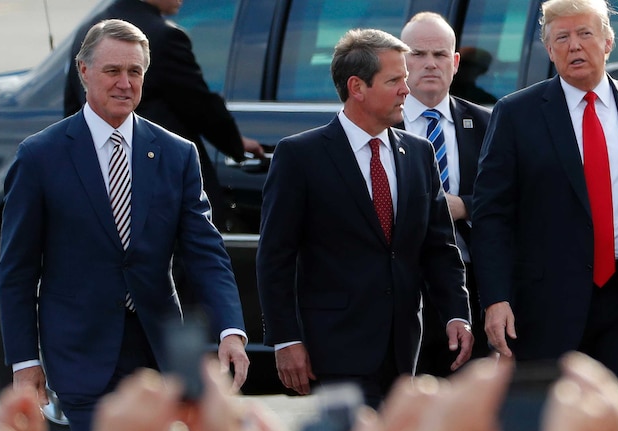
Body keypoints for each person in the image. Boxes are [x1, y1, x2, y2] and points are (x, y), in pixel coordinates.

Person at [0, 19, 249, 431]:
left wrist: (231, 329)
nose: (124, 83)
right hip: (80, 353)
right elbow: (17, 271)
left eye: (134, 72)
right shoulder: (40, 157)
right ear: (83, 71)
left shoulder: (176, 153)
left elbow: (205, 252)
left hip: (160, 352)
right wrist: (24, 362)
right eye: (113, 71)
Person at [471, 0, 618, 388]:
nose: (574, 46)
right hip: (547, 305)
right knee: (550, 428)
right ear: (549, 50)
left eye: (585, 34)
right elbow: (491, 216)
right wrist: (495, 299)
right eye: (561, 37)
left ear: (608, 41)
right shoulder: (517, 114)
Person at [256, 28, 473, 408]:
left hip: (405, 349)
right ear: (357, 87)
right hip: (335, 350)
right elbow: (275, 256)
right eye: (395, 81)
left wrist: (458, 313)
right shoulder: (300, 156)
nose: (407, 90)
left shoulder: (419, 154)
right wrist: (286, 339)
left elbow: (440, 246)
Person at [64, 0, 265, 229]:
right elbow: (200, 105)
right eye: (112, 71)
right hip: (161, 190)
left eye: (134, 73)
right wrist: (235, 144)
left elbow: (72, 110)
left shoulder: (87, 31)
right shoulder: (164, 36)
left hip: (98, 189)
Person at [398, 12, 492, 376]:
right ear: (401, 62)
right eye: (418, 54)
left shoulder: (487, 124)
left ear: (455, 63)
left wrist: (463, 206)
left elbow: (511, 200)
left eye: (439, 55)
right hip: (401, 283)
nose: (429, 64)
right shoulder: (376, 124)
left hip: (470, 284)